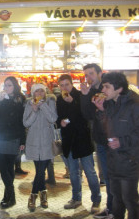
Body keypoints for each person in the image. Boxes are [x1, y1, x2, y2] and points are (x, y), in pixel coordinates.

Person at [93, 72, 139, 219]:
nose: (103, 90)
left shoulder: (134, 105)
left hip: (129, 160)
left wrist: (122, 141)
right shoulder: (111, 104)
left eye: (106, 87)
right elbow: (107, 130)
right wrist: (101, 112)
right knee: (116, 199)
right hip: (113, 159)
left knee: (130, 200)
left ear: (119, 88)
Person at [56, 74, 101, 214]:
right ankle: (76, 198)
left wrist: (72, 102)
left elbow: (85, 116)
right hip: (68, 140)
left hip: (82, 139)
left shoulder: (81, 95)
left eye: (67, 84)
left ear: (72, 84)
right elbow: (58, 116)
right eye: (62, 85)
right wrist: (60, 122)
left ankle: (96, 200)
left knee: (90, 171)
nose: (64, 88)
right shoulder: (59, 98)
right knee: (74, 172)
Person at [80, 63, 113, 218]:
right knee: (106, 176)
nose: (89, 77)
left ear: (100, 73)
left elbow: (114, 112)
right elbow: (88, 115)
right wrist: (85, 96)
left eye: (91, 73)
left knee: (117, 176)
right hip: (100, 139)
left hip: (115, 139)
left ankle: (116, 209)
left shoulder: (109, 87)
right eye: (86, 75)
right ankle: (110, 208)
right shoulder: (91, 90)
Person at [0, 76, 26, 209]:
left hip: (13, 137)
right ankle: (10, 195)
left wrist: (23, 140)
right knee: (2, 167)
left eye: (9, 85)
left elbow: (22, 122)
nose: (6, 88)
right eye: (5, 85)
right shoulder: (1, 99)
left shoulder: (20, 100)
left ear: (15, 86)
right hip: (0, 136)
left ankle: (9, 196)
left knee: (9, 168)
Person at [23, 83, 57, 211]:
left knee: (41, 171)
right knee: (40, 171)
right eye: (37, 91)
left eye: (42, 91)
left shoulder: (50, 102)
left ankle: (33, 196)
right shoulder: (28, 104)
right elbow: (26, 122)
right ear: (33, 93)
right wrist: (34, 111)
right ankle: (43, 194)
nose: (39, 94)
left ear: (45, 92)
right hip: (34, 142)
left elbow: (53, 119)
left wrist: (43, 106)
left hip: (47, 142)